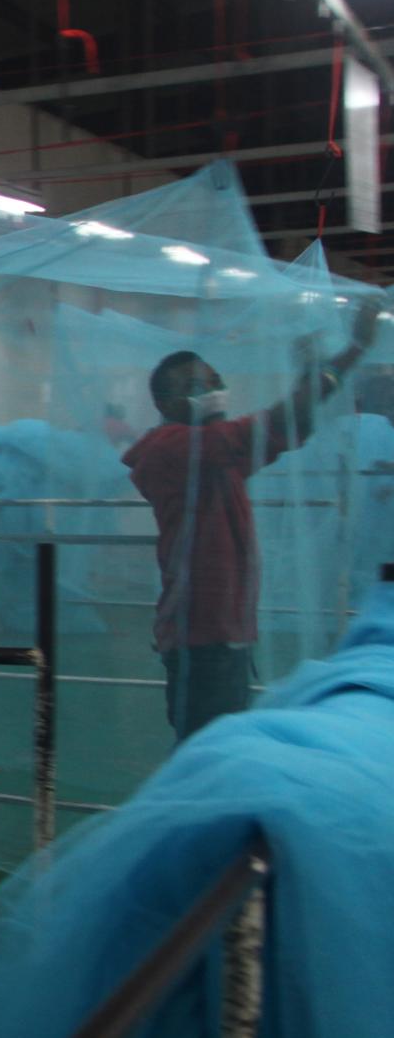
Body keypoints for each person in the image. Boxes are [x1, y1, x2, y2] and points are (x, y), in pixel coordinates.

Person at [125, 301, 380, 741]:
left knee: (218, 743)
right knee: (208, 749)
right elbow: (272, 424)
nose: (215, 390)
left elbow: (289, 430)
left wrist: (309, 372)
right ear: (166, 403)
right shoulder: (175, 449)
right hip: (200, 637)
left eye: (217, 381)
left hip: (224, 630)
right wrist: (354, 348)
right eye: (197, 386)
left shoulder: (212, 454)